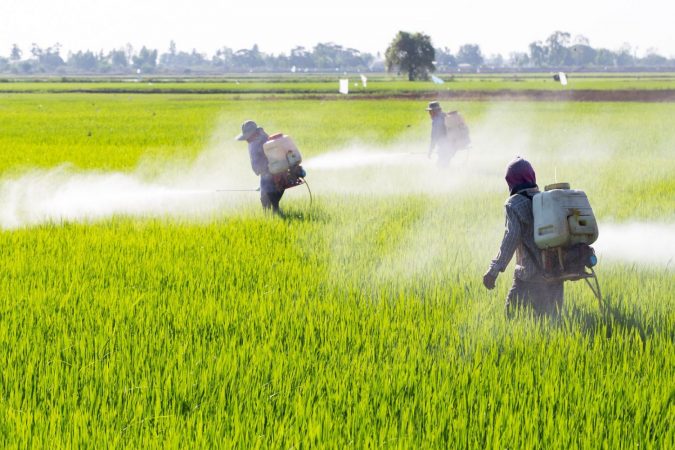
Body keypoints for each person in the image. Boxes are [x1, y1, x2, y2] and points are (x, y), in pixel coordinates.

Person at [482, 157, 564, 318]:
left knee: (511, 316)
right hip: (556, 270)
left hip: (530, 274)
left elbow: (510, 239)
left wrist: (494, 270)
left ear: (511, 181)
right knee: (553, 320)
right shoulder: (545, 199)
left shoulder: (514, 204)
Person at [236, 120, 285, 214]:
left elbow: (260, 166)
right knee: (273, 205)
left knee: (267, 206)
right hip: (278, 175)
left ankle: (273, 221)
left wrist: (265, 185)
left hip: (270, 175)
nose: (246, 140)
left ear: (252, 134)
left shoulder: (255, 144)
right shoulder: (265, 137)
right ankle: (276, 216)